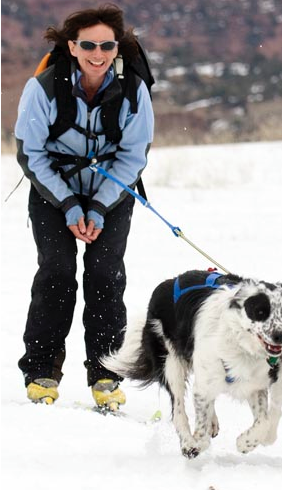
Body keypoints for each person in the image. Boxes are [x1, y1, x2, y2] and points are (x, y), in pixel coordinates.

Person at [14, 4, 154, 410]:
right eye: (88, 44)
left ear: (117, 47)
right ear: (72, 46)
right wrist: (71, 205)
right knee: (56, 272)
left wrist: (96, 206)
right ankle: (41, 371)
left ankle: (107, 375)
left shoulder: (134, 90)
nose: (98, 53)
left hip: (111, 192)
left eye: (107, 44)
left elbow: (133, 156)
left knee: (106, 276)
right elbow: (31, 154)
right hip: (52, 192)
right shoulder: (42, 88)